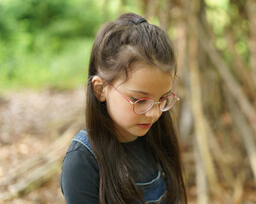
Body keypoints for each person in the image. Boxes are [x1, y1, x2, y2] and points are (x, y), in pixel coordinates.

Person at [61, 13, 187, 204]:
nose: (154, 113)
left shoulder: (158, 137)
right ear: (100, 89)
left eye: (162, 99)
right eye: (139, 100)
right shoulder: (83, 161)